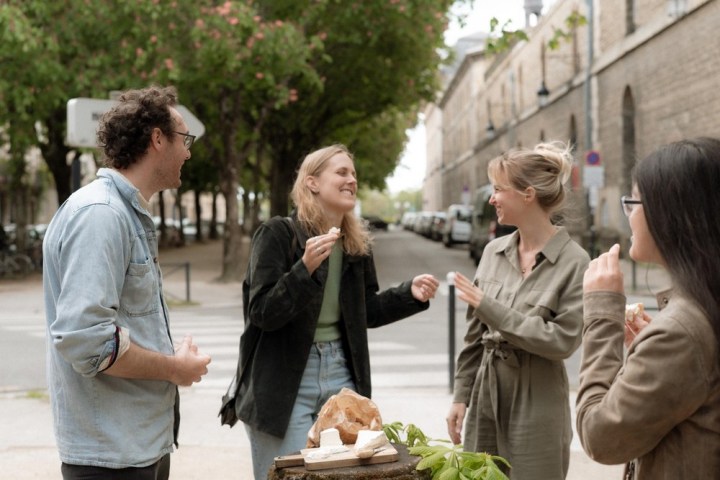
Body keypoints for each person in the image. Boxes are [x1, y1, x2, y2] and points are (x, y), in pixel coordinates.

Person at [235, 144, 440, 479]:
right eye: (342, 172)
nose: (352, 180)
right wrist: (304, 269)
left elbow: (367, 311)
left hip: (343, 376)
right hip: (285, 381)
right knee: (287, 474)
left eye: (354, 175)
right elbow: (262, 313)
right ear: (312, 182)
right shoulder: (277, 233)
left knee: (346, 473)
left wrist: (409, 294)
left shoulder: (355, 243)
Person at [43, 85, 211, 480]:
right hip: (111, 458)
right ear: (157, 139)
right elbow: (87, 342)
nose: (188, 151)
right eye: (184, 139)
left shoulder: (123, 212)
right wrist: (174, 368)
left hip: (135, 447)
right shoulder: (101, 214)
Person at [576, 137, 720, 479]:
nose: (628, 215)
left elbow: (600, 437)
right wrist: (652, 348)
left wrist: (601, 314)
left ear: (668, 213)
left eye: (632, 203)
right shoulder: (701, 305)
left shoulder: (681, 330)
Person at [446, 141, 590, 479]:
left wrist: (489, 306)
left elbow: (562, 341)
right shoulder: (493, 252)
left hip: (537, 401)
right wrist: (460, 396)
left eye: (499, 189)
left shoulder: (575, 261)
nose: (491, 198)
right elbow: (473, 339)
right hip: (486, 394)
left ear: (527, 194)